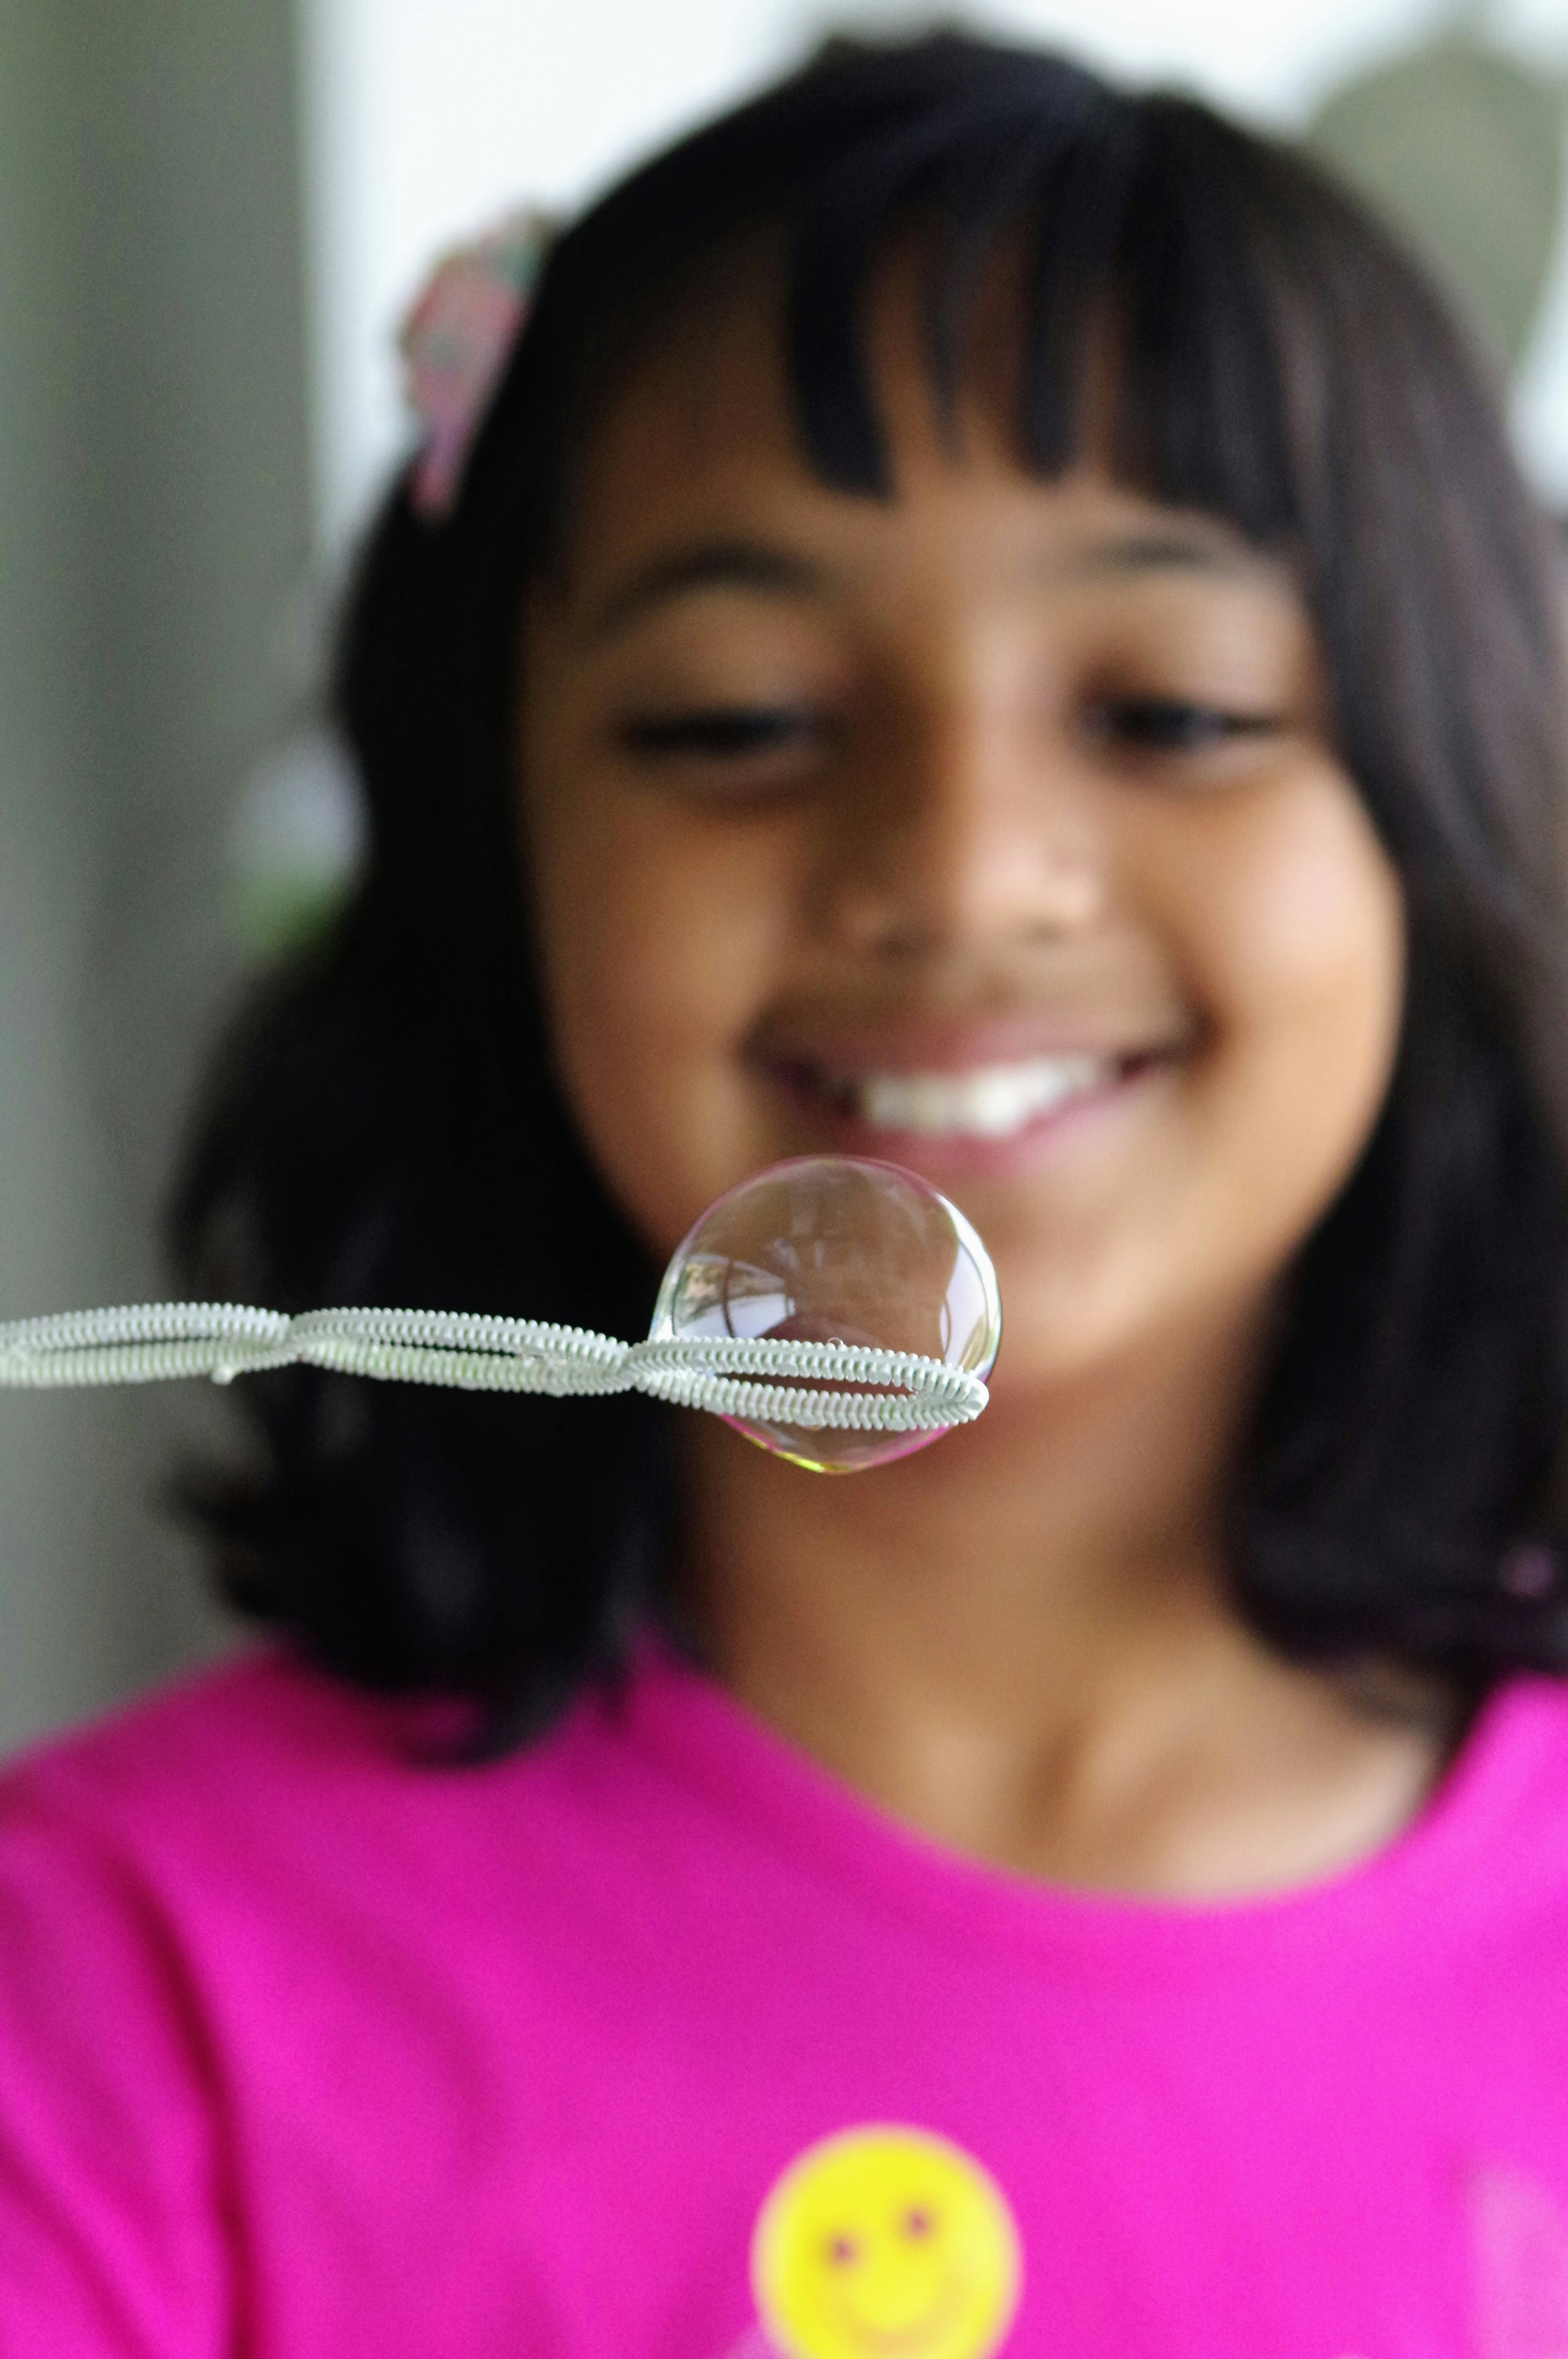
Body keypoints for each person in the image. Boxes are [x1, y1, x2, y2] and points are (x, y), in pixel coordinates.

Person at [3, 29, 1568, 2356]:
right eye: (739, 717)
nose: (959, 871)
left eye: (1169, 707)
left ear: (1451, 833)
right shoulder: (117, 1999)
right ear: (486, 858)